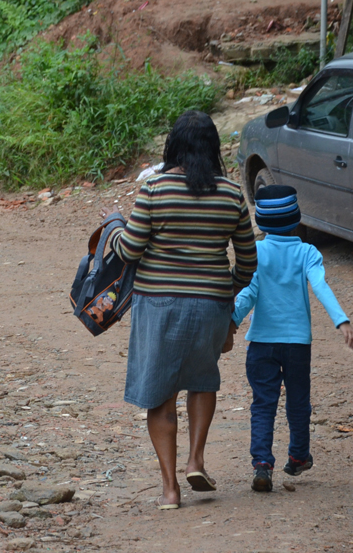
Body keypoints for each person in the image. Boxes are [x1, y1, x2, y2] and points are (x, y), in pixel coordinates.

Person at [106, 110, 257, 510]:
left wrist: (115, 227)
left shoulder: (155, 189)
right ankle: (196, 460)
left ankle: (170, 489)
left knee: (161, 394)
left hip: (159, 305)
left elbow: (129, 249)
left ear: (172, 145)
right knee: (203, 380)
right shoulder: (231, 194)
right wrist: (226, 295)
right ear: (213, 148)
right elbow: (247, 262)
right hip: (211, 305)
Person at [231, 185, 353, 493]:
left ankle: (262, 465)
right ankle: (299, 456)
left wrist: (230, 321)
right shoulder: (307, 253)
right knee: (299, 402)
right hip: (297, 345)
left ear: (260, 222)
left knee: (263, 404)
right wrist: (341, 321)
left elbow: (248, 292)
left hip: (261, 342)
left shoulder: (257, 252)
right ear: (296, 219)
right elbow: (321, 287)